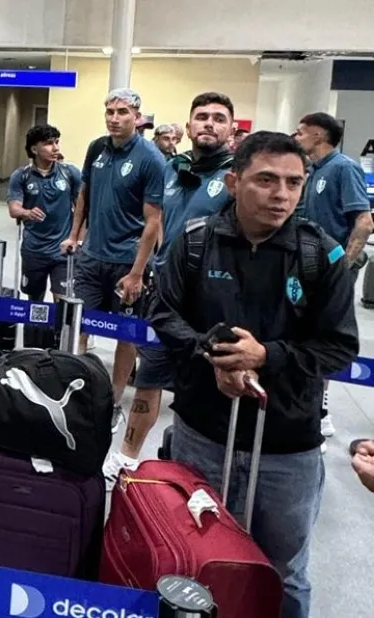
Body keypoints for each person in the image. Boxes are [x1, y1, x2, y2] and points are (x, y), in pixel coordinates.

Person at [148, 131, 359, 618]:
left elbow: (338, 346)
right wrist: (213, 356)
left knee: (282, 573)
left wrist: (266, 357)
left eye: (293, 182)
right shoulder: (195, 241)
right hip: (203, 435)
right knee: (195, 559)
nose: (281, 194)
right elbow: (163, 313)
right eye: (266, 180)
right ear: (233, 182)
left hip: (287, 448)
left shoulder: (320, 255)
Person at [102, 92, 237, 489]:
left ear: (231, 129)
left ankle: (202, 472)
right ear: (188, 126)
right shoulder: (174, 170)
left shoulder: (236, 176)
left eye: (218, 118)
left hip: (213, 300)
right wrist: (144, 270)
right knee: (150, 378)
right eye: (202, 117)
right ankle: (127, 456)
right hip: (166, 294)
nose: (209, 123)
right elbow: (158, 221)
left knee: (208, 387)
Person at [61, 88, 166, 433]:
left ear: (137, 117)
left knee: (126, 334)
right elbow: (84, 195)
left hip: (127, 262)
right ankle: (75, 390)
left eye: (122, 112)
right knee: (78, 325)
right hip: (92, 257)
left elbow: (153, 220)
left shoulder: (151, 159)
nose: (115, 119)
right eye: (110, 112)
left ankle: (114, 400)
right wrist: (75, 235)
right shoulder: (97, 148)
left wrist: (138, 272)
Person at [294, 111, 374, 449]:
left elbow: (364, 222)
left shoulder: (343, 168)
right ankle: (308, 405)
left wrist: (343, 266)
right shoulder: (313, 171)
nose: (296, 137)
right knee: (303, 335)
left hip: (333, 270)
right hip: (308, 267)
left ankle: (320, 413)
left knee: (323, 338)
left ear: (318, 135)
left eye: (301, 132)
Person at [6, 124, 81, 305]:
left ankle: (58, 326)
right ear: (34, 149)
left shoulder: (70, 173)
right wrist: (27, 212)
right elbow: (14, 209)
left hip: (62, 251)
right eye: (48, 143)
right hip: (34, 250)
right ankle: (36, 325)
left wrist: (78, 240)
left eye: (56, 142)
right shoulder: (21, 176)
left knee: (62, 302)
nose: (55, 148)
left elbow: (82, 209)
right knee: (35, 302)